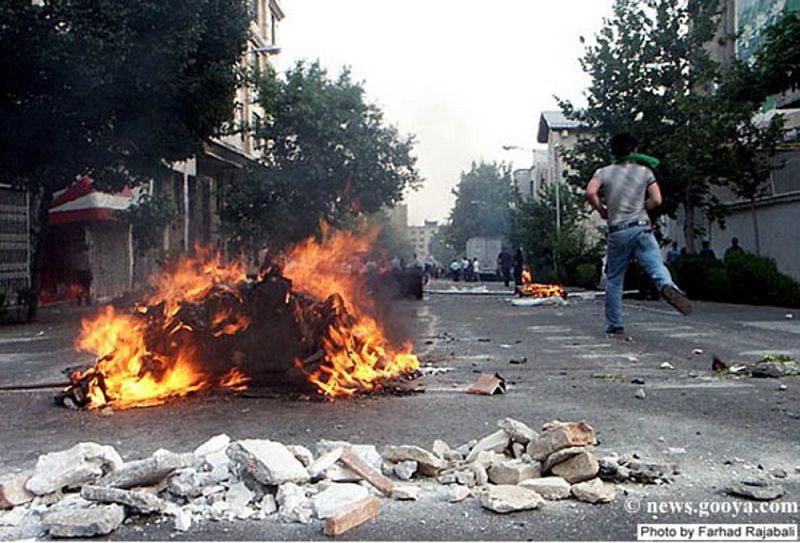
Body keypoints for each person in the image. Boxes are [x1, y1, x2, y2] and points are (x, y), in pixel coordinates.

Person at [585, 132, 692, 334]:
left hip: (618, 230)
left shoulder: (603, 172)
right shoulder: (645, 172)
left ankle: (615, 323)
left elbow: (590, 192)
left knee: (615, 278)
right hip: (642, 227)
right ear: (634, 150)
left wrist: (601, 209)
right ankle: (667, 287)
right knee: (656, 266)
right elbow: (657, 200)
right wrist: (642, 207)